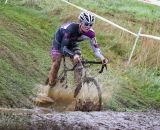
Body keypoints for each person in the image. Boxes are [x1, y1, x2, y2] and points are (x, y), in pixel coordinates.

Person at [47, 11, 108, 87]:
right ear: (80, 22)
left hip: (72, 42)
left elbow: (96, 49)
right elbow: (63, 48)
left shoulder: (91, 33)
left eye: (91, 25)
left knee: (79, 65)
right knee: (56, 63)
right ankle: (50, 85)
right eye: (86, 24)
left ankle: (78, 89)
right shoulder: (71, 29)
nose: (88, 27)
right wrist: (73, 55)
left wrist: (102, 57)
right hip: (60, 42)